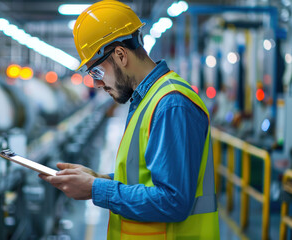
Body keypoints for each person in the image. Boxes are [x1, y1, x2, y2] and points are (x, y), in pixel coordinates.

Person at [39, 0, 220, 239]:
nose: (97, 83)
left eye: (97, 71)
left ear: (121, 55)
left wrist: (96, 189)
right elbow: (149, 177)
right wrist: (98, 179)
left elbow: (173, 200)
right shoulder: (147, 100)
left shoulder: (171, 104)